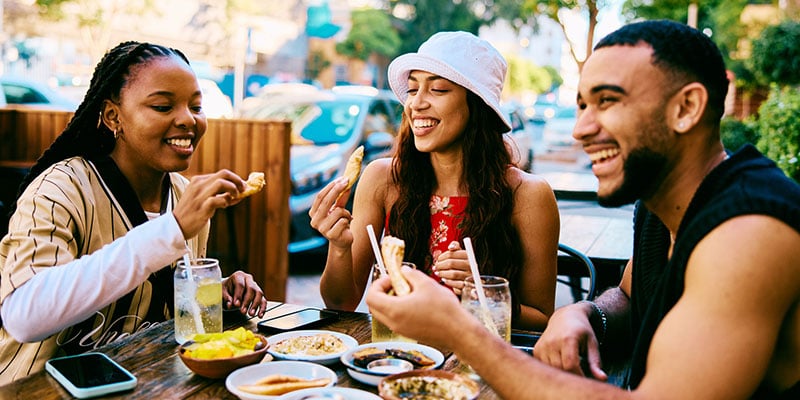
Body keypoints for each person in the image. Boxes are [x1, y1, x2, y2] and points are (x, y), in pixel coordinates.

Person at [367, 20, 800, 399]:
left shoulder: (749, 232)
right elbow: (627, 295)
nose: (580, 130)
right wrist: (586, 313)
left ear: (686, 108)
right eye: (582, 105)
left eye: (607, 101)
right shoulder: (664, 205)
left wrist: (459, 328)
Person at [0, 41, 270, 383]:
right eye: (162, 106)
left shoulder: (182, 194)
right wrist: (171, 230)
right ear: (113, 116)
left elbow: (158, 309)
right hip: (35, 389)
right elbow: (24, 316)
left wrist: (215, 292)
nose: (187, 119)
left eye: (196, 106)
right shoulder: (59, 191)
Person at [310, 31, 559, 330]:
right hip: (397, 352)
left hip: (478, 355)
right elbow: (340, 303)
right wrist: (338, 247)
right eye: (413, 89)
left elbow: (542, 319)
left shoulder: (528, 194)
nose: (416, 103)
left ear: (478, 104)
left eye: (438, 89)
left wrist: (480, 293)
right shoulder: (382, 179)